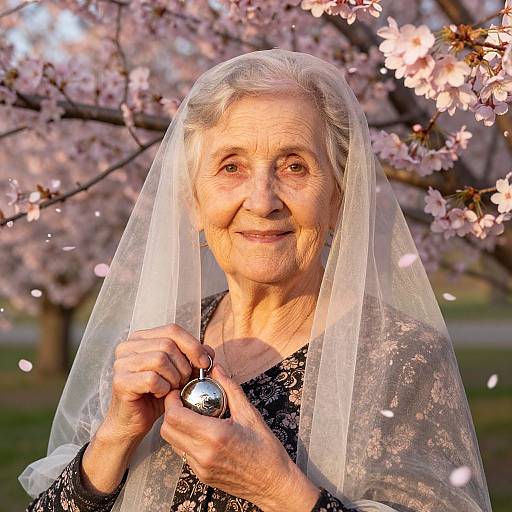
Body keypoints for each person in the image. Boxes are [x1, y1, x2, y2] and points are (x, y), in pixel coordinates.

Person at [19, 49, 492, 512]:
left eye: (294, 166)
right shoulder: (156, 346)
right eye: (231, 167)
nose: (262, 200)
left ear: (337, 200)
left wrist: (279, 490)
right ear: (194, 202)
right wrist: (116, 436)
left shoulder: (402, 357)